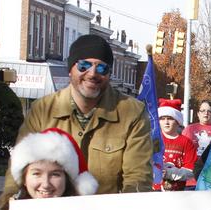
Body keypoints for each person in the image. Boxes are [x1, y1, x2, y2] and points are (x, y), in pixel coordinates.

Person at [9, 34, 152, 194]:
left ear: (109, 74)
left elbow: (138, 179)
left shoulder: (132, 112)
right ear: (70, 69)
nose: (92, 74)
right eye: (84, 66)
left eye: (101, 68)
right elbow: (18, 169)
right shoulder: (43, 109)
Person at [155, 98, 197, 191]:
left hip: (177, 193)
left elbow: (191, 171)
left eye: (170, 119)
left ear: (177, 121)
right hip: (153, 191)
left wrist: (170, 173)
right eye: (162, 119)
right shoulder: (152, 139)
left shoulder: (186, 142)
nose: (166, 122)